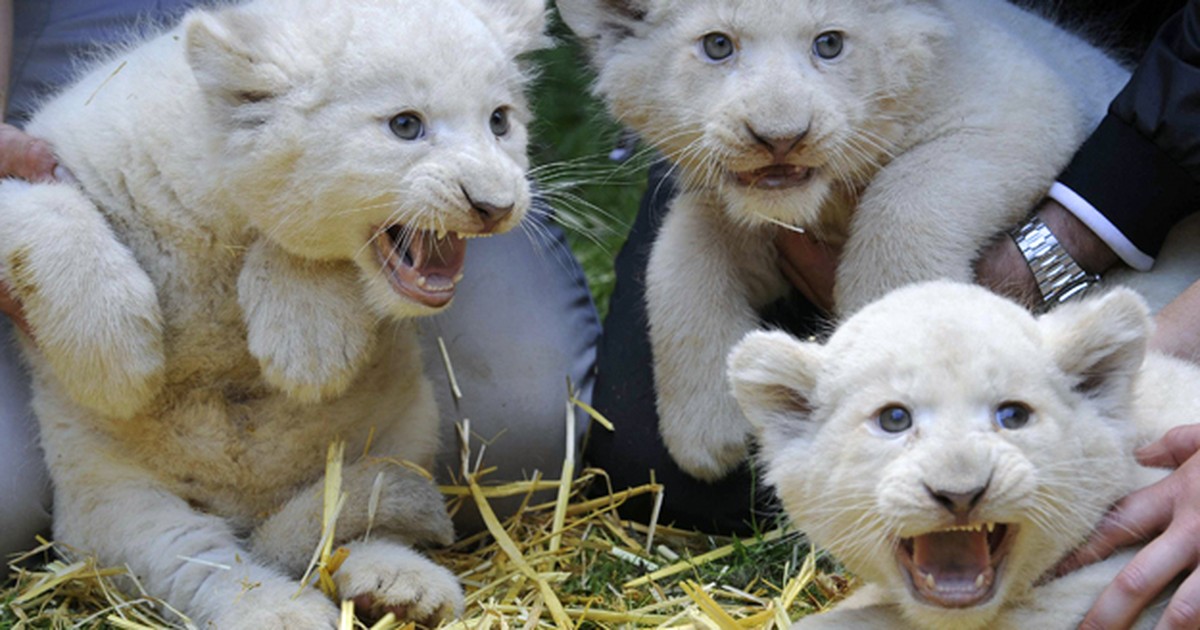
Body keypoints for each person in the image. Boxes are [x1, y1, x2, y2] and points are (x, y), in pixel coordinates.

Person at [591, 0, 1200, 625]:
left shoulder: (950, 61)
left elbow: (1024, 112)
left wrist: (1028, 254)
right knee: (661, 484)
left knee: (1122, 478)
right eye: (718, 48)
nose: (778, 121)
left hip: (1130, 223)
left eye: (828, 44)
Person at [0, 0, 600, 557]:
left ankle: (324, 535)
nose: (498, 195)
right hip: (72, 17)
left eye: (502, 121)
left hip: (376, 38)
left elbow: (453, 70)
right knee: (7, 504)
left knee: (520, 447)